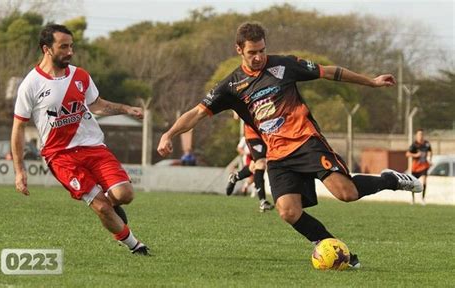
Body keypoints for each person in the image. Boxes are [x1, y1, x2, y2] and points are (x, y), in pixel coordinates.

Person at [158, 22, 423, 268]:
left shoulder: (284, 65)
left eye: (262, 50)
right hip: (277, 154)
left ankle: (390, 180)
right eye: (252, 52)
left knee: (346, 194)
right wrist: (169, 134)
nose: (259, 57)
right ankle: (340, 253)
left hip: (306, 141)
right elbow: (196, 113)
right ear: (239, 49)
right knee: (288, 211)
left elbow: (329, 72)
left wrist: (372, 82)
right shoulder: (231, 86)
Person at [11, 24, 149, 256]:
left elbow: (97, 104)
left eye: (71, 46)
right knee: (102, 207)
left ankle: (113, 212)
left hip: (94, 148)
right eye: (63, 47)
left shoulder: (80, 76)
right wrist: (19, 170)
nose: (70, 51)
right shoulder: (31, 84)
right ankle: (135, 246)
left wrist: (126, 108)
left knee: (124, 195)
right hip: (61, 157)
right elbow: (18, 127)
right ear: (47, 49)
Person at [226, 124, 274, 212]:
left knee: (254, 166)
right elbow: (236, 114)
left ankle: (235, 177)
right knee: (261, 164)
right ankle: (263, 201)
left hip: (266, 133)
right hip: (253, 134)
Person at [406, 129, 432, 205]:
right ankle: (413, 199)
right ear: (417, 135)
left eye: (422, 134)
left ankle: (423, 198)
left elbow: (430, 151)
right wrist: (415, 155)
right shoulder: (414, 144)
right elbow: (407, 154)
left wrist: (430, 159)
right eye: (419, 134)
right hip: (415, 167)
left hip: (424, 166)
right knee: (413, 183)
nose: (420, 136)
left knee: (424, 181)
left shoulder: (426, 144)